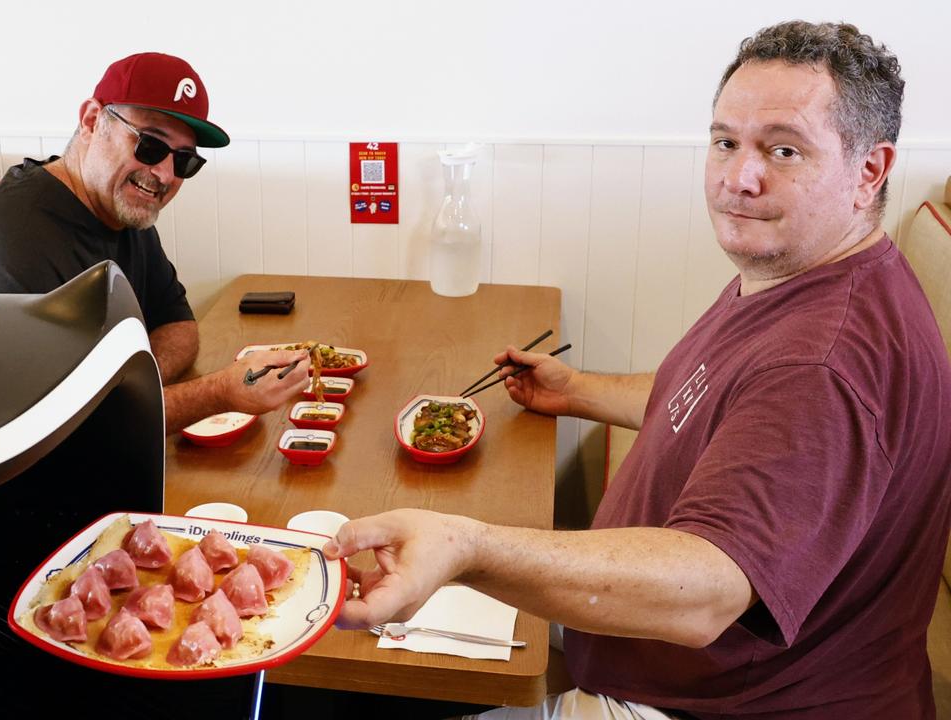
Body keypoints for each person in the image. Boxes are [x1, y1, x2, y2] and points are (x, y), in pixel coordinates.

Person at [324, 21, 951, 719]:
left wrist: (468, 547)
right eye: (725, 142)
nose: (739, 178)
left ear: (869, 170)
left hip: (706, 701)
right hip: (642, 651)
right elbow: (728, 404)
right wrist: (576, 391)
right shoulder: (800, 273)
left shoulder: (824, 359)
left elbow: (708, 590)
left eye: (783, 149)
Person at [0, 52, 307, 434]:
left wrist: (126, 389)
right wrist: (221, 392)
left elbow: (178, 324)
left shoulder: (123, 210)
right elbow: (64, 425)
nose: (165, 174)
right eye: (150, 145)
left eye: (185, 161)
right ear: (91, 120)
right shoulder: (10, 243)